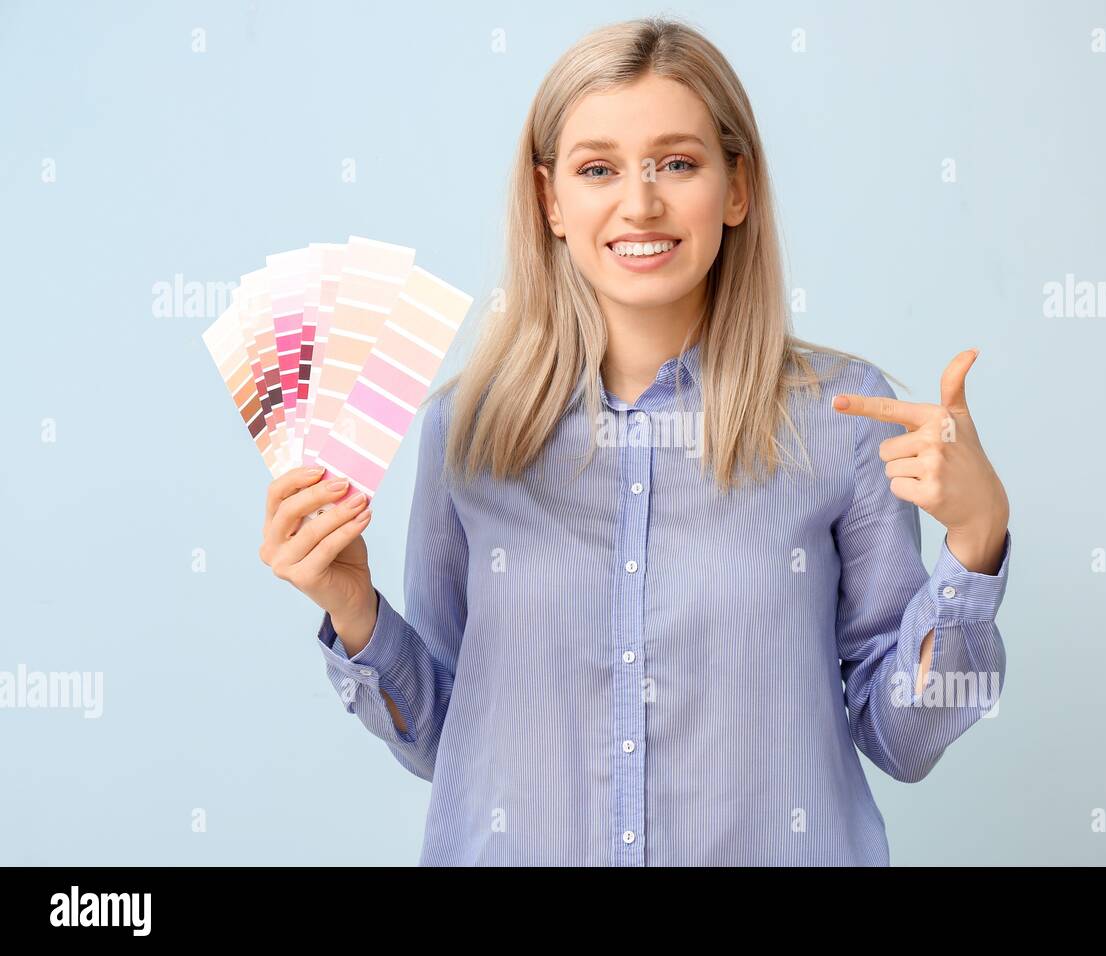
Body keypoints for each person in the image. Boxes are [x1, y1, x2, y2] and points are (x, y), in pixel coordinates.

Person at [259, 16, 1011, 866]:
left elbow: (904, 739)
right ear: (550, 200)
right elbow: (448, 745)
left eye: (678, 163)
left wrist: (974, 546)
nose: (641, 202)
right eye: (597, 169)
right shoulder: (467, 429)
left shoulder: (844, 418)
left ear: (737, 189)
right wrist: (354, 614)